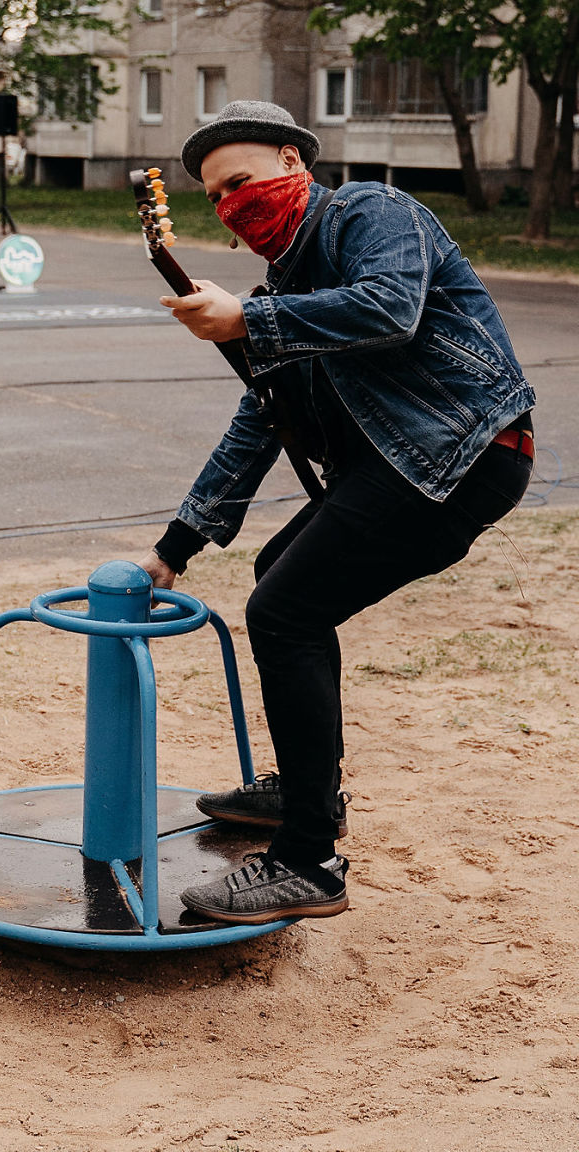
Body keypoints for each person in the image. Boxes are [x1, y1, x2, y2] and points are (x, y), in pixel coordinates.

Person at [137, 99, 535, 926]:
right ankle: (307, 796)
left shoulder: (371, 212)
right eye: (214, 197)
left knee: (283, 612)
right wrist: (175, 545)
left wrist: (250, 317)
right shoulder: (281, 287)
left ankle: (308, 859)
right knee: (278, 578)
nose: (230, 205)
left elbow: (391, 307)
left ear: (293, 163)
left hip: (463, 456)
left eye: (240, 181)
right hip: (398, 468)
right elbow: (260, 420)